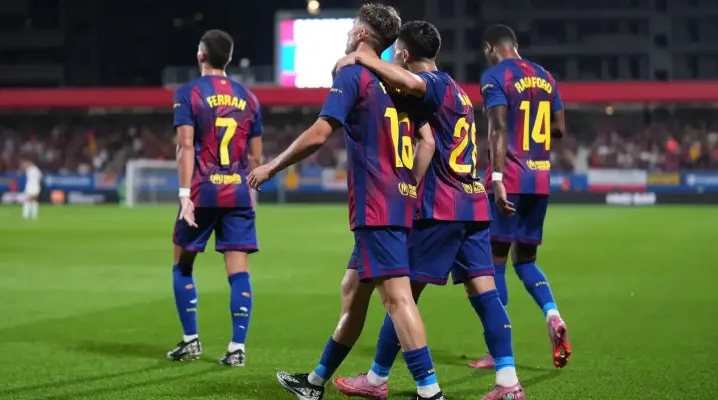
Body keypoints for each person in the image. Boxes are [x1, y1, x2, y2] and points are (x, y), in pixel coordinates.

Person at [247, 4, 445, 400]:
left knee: (397, 299)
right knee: (353, 289)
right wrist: (410, 184)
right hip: (398, 200)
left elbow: (321, 133)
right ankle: (315, 382)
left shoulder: (354, 74)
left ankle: (429, 391)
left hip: (377, 204)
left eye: (353, 26)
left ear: (363, 35)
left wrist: (271, 166)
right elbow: (427, 140)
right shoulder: (398, 81)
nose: (349, 32)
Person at [330, 21, 524, 400]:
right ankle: (507, 381)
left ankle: (377, 379)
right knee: (485, 293)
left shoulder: (432, 84)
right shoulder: (459, 91)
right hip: (472, 203)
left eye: (395, 54)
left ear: (404, 54)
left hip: (442, 207)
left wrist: (362, 59)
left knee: (402, 297)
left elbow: (411, 85)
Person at [469, 24, 571, 370]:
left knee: (494, 262)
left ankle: (497, 351)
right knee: (525, 261)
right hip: (539, 178)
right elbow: (559, 129)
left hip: (509, 178)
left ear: (490, 48)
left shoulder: (495, 76)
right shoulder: (546, 77)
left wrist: (497, 178)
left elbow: (498, 127)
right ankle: (553, 314)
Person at [168, 29, 263, 368]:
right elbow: (255, 156)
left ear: (201, 55)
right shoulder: (249, 98)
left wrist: (184, 195)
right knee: (238, 271)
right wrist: (248, 195)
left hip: (202, 192)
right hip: (238, 192)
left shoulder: (189, 93)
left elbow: (185, 146)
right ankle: (237, 348)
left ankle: (191, 340)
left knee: (183, 264)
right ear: (230, 58)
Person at [20, 156, 42, 220]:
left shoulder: (35, 169)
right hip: (30, 186)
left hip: (34, 186)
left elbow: (40, 178)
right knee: (30, 200)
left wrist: (38, 185)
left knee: (31, 200)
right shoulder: (29, 169)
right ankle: (29, 215)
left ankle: (29, 215)